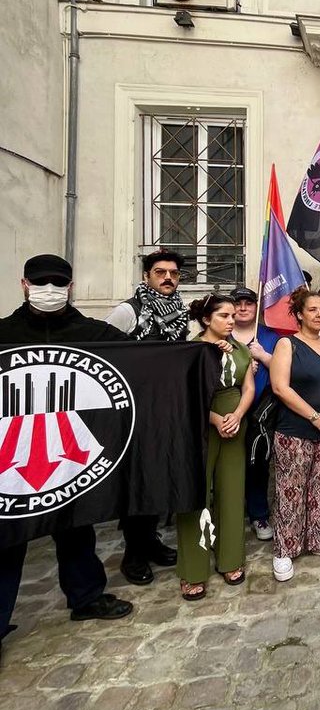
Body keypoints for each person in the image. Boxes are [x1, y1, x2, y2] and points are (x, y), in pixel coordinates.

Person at [0, 254, 133, 650]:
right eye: (41, 282)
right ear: (24, 285)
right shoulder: (4, 333)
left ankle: (86, 596)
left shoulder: (92, 333)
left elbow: (146, 360)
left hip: (69, 451)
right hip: (13, 455)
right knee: (8, 538)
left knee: (76, 525)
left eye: (58, 282)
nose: (49, 290)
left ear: (70, 286)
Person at [104, 250, 185, 584]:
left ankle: (150, 542)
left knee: (158, 478)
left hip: (165, 407)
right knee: (137, 482)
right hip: (133, 412)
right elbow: (105, 355)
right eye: (160, 272)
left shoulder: (179, 311)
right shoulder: (128, 311)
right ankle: (133, 554)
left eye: (173, 273)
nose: (167, 278)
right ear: (146, 276)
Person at [177, 294, 255, 600]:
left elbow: (247, 386)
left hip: (236, 424)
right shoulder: (192, 350)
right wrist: (215, 418)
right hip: (202, 425)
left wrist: (237, 414)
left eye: (233, 315)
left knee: (232, 492)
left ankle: (230, 559)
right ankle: (193, 570)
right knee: (197, 494)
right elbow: (184, 394)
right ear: (206, 319)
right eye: (224, 315)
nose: (232, 320)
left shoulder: (239, 349)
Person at [269, 288, 320, 577]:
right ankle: (284, 549)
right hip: (295, 431)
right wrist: (315, 417)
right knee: (290, 491)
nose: (319, 313)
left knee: (319, 488)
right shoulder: (287, 344)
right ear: (300, 314)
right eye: (312, 309)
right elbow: (280, 387)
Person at [229, 287, 278, 541]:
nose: (244, 307)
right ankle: (228, 516)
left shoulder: (269, 335)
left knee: (258, 464)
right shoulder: (221, 333)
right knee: (228, 466)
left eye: (249, 303)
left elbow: (283, 369)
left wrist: (264, 357)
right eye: (238, 303)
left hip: (261, 410)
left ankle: (259, 514)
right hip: (228, 410)